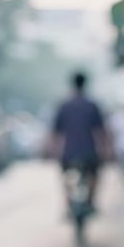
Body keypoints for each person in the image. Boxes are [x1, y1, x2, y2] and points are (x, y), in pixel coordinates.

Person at [50, 72, 108, 208]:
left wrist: (53, 150)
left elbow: (55, 133)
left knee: (65, 178)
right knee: (94, 175)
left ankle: (68, 203)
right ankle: (91, 201)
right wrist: (105, 150)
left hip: (68, 151)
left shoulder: (64, 106)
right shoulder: (91, 105)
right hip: (89, 150)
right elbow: (100, 131)